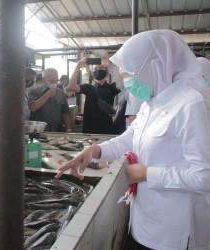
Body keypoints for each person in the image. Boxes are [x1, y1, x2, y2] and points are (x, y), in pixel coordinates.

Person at [56, 29, 210, 250]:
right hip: (145, 222)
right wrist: (95, 150)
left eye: (130, 72)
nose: (126, 80)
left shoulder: (192, 104)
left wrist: (146, 173)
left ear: (156, 66)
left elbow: (205, 177)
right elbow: (131, 137)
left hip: (174, 234)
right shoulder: (153, 101)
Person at [67, 61, 114, 134]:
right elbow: (71, 86)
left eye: (101, 67)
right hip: (89, 129)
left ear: (106, 70)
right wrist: (77, 67)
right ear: (92, 72)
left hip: (107, 129)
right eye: (95, 68)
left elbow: (126, 84)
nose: (98, 70)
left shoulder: (112, 87)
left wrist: (111, 65)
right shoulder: (89, 88)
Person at [28, 68, 71, 132]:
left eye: (56, 81)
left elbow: (64, 113)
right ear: (43, 80)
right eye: (51, 81)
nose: (54, 83)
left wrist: (69, 129)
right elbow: (32, 107)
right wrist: (47, 95)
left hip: (57, 130)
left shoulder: (60, 93)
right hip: (39, 131)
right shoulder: (35, 92)